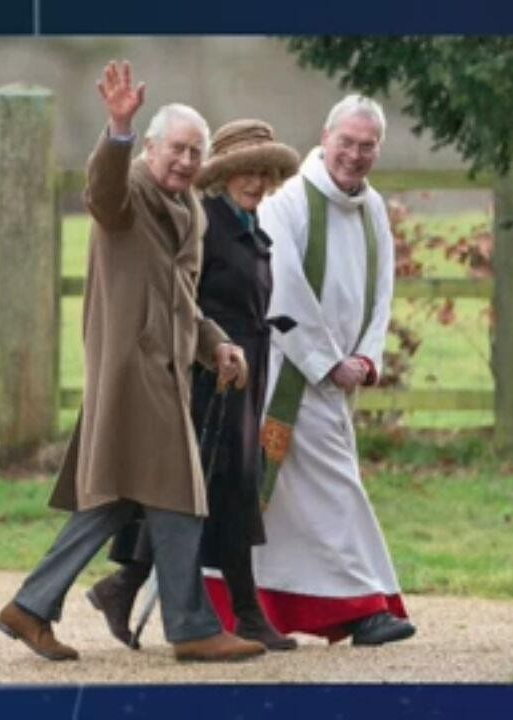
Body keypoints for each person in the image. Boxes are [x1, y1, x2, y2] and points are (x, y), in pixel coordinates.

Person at [0, 60, 265, 663]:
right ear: (150, 148)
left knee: (117, 498)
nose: (186, 161)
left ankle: (31, 606)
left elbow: (182, 300)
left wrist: (216, 343)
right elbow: (102, 192)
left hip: (167, 371)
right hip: (132, 372)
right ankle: (191, 627)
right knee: (180, 494)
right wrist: (116, 130)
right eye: (176, 149)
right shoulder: (130, 192)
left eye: (195, 152)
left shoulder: (191, 208)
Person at [85, 119, 301, 652]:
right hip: (207, 374)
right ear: (223, 175)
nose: (256, 182)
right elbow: (181, 295)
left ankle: (125, 585)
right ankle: (242, 612)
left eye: (265, 173)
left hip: (244, 368)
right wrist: (209, 348)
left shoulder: (250, 224)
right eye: (246, 172)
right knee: (211, 487)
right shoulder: (208, 223)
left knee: (222, 487)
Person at [249, 95, 416, 646]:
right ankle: (364, 608)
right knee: (334, 489)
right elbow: (281, 288)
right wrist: (327, 362)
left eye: (367, 146)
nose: (355, 154)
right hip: (289, 374)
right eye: (346, 142)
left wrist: (367, 357)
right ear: (325, 138)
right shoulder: (288, 202)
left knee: (290, 505)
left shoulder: (372, 208)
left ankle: (252, 608)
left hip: (340, 378)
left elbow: (381, 289)